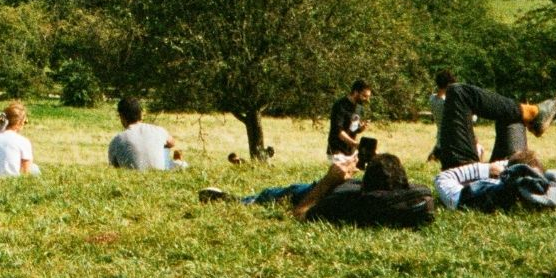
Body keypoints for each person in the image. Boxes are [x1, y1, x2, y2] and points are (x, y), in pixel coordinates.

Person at [205, 153, 434, 229]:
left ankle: (236, 200)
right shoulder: (417, 199)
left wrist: (328, 181)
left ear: (366, 186)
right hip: (353, 186)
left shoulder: (347, 205)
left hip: (319, 191)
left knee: (273, 194)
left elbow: (299, 214)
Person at [430, 72, 556, 170]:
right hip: (507, 173)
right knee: (458, 91)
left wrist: (486, 170)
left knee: (504, 112)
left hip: (464, 175)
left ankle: (532, 114)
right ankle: (532, 114)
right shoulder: (517, 183)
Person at [433, 149, 556, 211]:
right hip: (518, 173)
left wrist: (487, 168)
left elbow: (442, 177)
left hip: (491, 182)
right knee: (512, 120)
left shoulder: (482, 192)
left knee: (511, 118)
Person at [107, 96, 179, 171]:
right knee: (165, 147)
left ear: (122, 117)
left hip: (131, 174)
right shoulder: (157, 130)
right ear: (140, 114)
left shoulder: (116, 140)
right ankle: (175, 163)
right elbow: (172, 143)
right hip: (159, 171)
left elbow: (113, 166)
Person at [0, 101, 39, 177]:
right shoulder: (23, 141)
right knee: (34, 168)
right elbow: (26, 171)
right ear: (20, 122)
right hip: (12, 179)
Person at [328, 80, 371, 161]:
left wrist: (361, 128)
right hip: (337, 152)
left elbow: (353, 129)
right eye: (365, 96)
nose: (367, 100)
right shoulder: (340, 106)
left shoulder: (359, 107)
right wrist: (355, 144)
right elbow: (339, 132)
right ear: (355, 92)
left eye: (368, 96)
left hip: (350, 152)